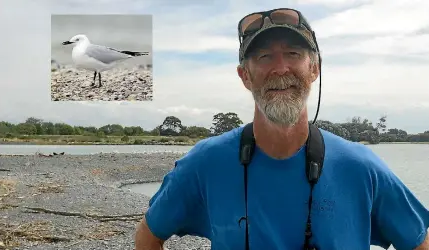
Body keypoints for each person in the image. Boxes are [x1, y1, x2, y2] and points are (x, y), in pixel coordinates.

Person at [135, 8, 429, 250]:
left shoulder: (362, 168)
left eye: (293, 54)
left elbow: (419, 241)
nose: (280, 68)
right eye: (264, 56)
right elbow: (149, 233)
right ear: (244, 76)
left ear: (314, 68)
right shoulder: (205, 163)